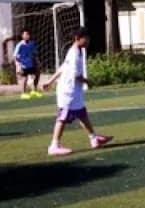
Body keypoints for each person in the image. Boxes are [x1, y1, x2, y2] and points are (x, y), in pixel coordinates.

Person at [42, 27, 112, 156]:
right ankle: (54, 146)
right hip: (68, 91)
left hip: (75, 91)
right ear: (77, 39)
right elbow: (75, 76)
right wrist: (87, 81)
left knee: (82, 114)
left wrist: (50, 81)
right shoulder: (74, 54)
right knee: (63, 117)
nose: (88, 40)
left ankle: (94, 138)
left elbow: (63, 68)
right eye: (86, 38)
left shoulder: (77, 51)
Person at [14, 28, 41, 99]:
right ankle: (23, 94)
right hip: (23, 64)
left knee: (36, 74)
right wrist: (18, 65)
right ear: (22, 36)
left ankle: (33, 91)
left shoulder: (32, 43)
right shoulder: (19, 45)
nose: (27, 36)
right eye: (25, 34)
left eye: (28, 34)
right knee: (24, 78)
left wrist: (37, 61)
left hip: (31, 63)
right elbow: (15, 56)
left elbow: (34, 53)